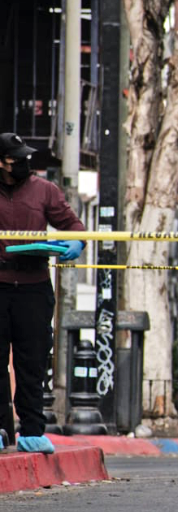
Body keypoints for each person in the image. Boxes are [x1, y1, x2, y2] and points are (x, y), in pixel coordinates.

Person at [0, 133, 86, 454]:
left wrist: (75, 244)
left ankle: (33, 430)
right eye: (15, 159)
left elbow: (75, 227)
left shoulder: (44, 190)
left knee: (32, 362)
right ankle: (0, 429)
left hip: (34, 287)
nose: (24, 164)